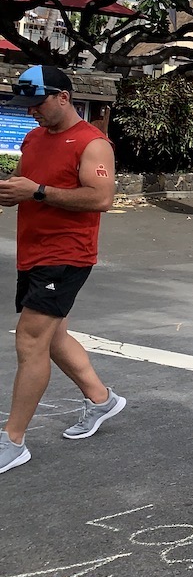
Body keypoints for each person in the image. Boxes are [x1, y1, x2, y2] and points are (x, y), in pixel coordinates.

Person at [0, 66, 124, 475]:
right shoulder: (34, 138)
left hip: (67, 254)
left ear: (64, 97)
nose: (32, 111)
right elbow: (23, 185)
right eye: (27, 104)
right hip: (33, 251)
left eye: (38, 103)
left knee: (30, 340)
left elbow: (100, 198)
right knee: (54, 338)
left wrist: (35, 191)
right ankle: (101, 398)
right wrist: (14, 191)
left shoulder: (93, 143)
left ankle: (12, 441)